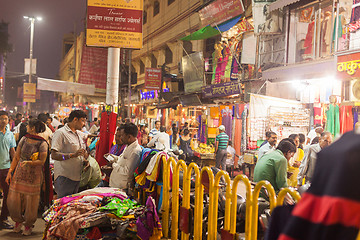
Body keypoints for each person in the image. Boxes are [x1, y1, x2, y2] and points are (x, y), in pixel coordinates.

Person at [6, 119, 47, 235]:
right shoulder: (23, 139)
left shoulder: (42, 143)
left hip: (34, 175)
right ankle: (18, 221)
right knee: (14, 199)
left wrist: (30, 163)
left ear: (33, 128)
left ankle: (28, 224)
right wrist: (10, 171)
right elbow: (16, 157)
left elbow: (42, 161)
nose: (27, 127)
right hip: (19, 173)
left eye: (29, 125)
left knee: (31, 201)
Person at [51, 110, 90, 198]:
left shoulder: (78, 134)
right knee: (63, 205)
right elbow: (54, 155)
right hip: (65, 177)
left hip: (76, 176)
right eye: (82, 121)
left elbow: (78, 155)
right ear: (75, 119)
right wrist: (71, 155)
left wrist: (84, 161)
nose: (84, 124)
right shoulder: (60, 133)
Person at [109, 123, 142, 195]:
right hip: (116, 185)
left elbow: (127, 172)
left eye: (122, 135)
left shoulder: (135, 151)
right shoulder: (128, 146)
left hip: (122, 188)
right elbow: (121, 159)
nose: (121, 138)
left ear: (129, 137)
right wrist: (113, 157)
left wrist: (113, 165)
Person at [0, 111, 16, 229]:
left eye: (5, 119)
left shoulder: (10, 134)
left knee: (8, 194)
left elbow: (12, 151)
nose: (3, 121)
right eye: (1, 119)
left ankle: (3, 218)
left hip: (6, 168)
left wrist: (14, 167)